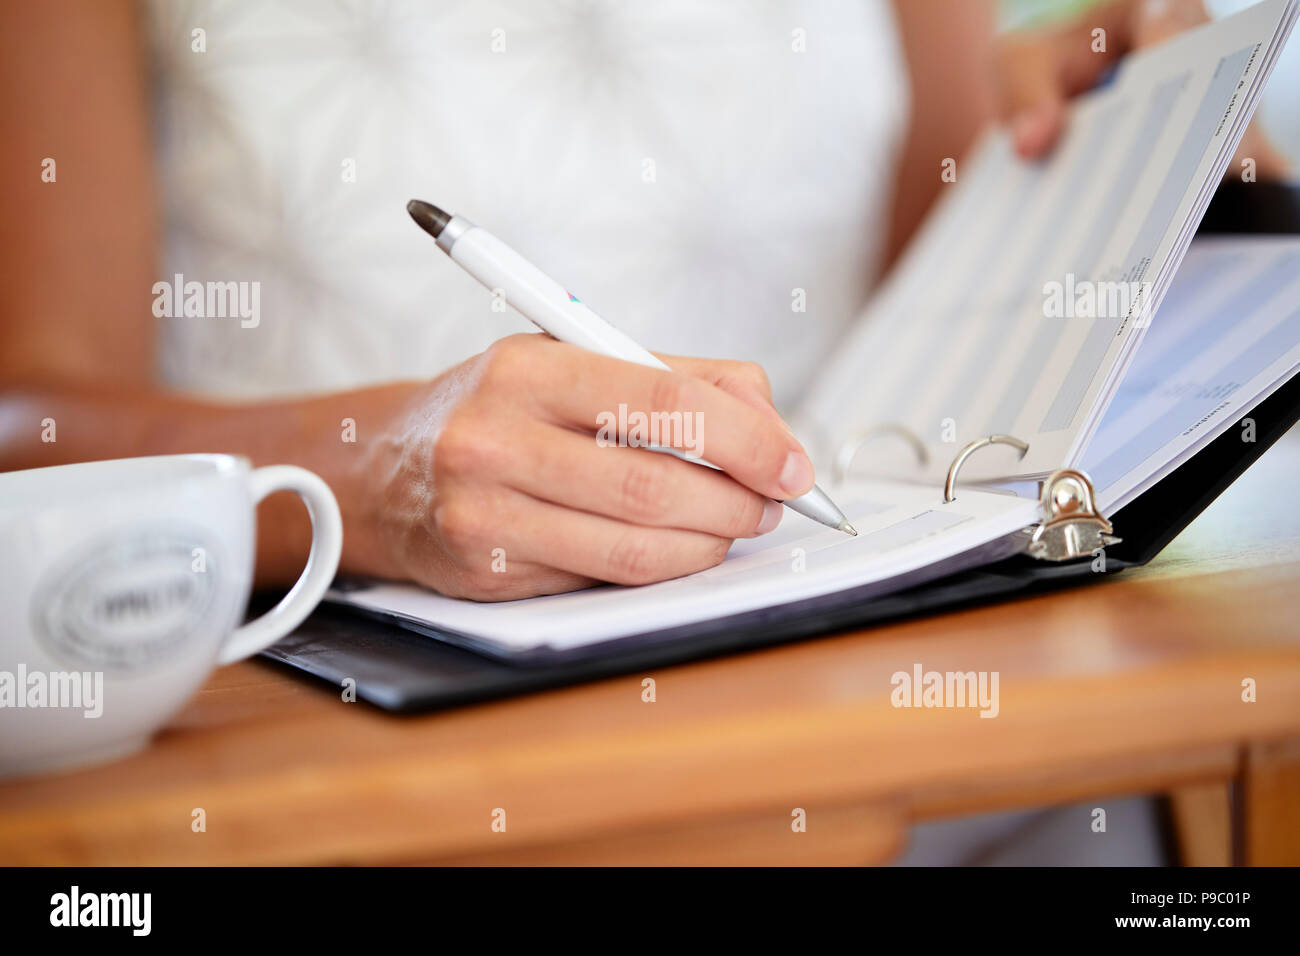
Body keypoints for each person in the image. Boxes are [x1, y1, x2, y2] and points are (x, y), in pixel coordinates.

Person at [1, 0, 1284, 601]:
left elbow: (917, 288)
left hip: (843, 629)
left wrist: (1073, 168)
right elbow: (29, 426)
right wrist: (368, 477)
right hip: (336, 701)